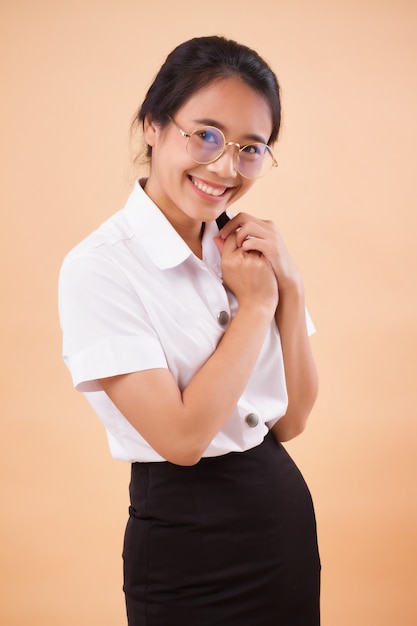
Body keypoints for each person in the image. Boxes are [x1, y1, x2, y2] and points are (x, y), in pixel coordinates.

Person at [58, 35, 321, 626]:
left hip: (283, 530)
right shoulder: (100, 267)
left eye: (251, 148)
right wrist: (255, 310)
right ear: (153, 124)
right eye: (204, 134)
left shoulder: (251, 253)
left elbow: (293, 420)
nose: (225, 166)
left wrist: (291, 287)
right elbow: (180, 440)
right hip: (188, 544)